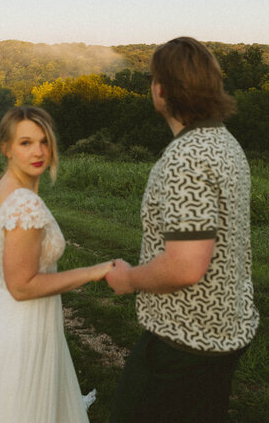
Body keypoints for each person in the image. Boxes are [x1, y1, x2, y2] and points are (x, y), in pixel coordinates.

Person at [106, 37, 259, 423]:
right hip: (224, 332)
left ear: (160, 90)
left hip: (184, 344)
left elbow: (185, 267)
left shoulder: (186, 159)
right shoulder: (226, 144)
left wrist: (129, 279)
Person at [0, 105, 112, 423]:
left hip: (4, 321)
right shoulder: (24, 203)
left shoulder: (2, 189)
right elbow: (21, 285)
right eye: (25, 142)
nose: (38, 151)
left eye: (44, 141)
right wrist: (94, 271)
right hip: (18, 340)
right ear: (5, 147)